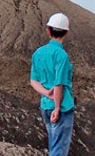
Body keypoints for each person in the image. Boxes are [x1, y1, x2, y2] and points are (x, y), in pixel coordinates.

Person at [30, 12, 75, 156]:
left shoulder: (38, 53)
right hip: (62, 107)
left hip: (45, 105)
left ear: (48, 30)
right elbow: (59, 83)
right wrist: (57, 107)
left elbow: (33, 81)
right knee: (59, 149)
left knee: (53, 145)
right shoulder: (61, 55)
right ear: (66, 32)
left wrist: (46, 93)